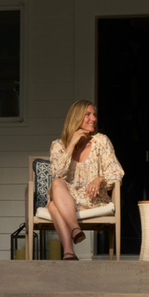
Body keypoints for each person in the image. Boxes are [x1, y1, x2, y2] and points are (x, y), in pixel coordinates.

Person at [47, 100, 124, 260]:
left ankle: (69, 251)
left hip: (93, 200)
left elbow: (117, 173)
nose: (94, 118)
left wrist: (100, 179)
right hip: (68, 201)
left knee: (53, 205)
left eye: (94, 115)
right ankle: (74, 231)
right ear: (75, 118)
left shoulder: (101, 142)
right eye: (88, 114)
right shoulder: (58, 146)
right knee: (56, 184)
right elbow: (56, 173)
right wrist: (72, 144)